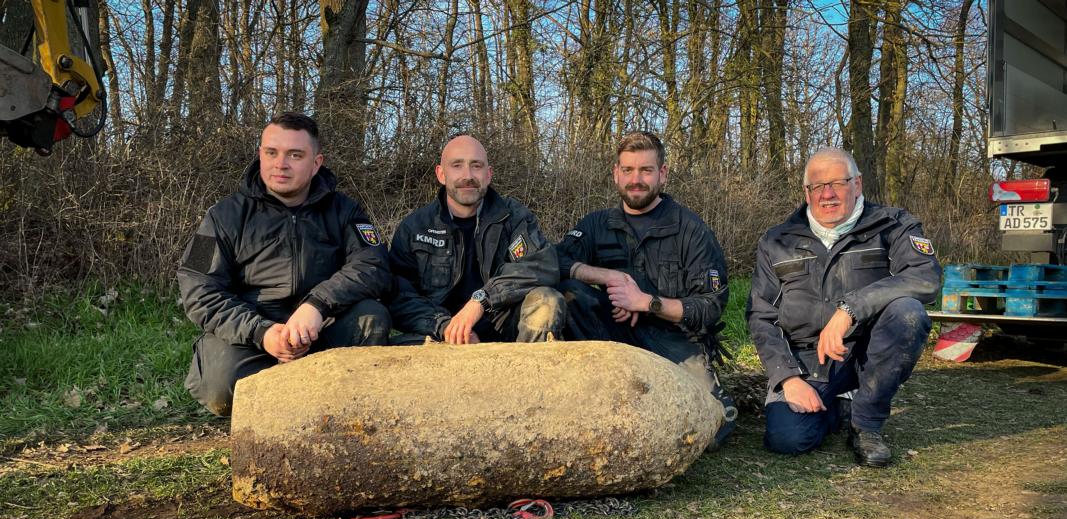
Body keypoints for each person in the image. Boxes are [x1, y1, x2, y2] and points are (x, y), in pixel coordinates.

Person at [177, 113, 392, 416]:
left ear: (316, 163)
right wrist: (262, 332)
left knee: (372, 317)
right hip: (251, 334)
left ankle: (340, 411)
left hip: (322, 329)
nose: (280, 164)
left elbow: (373, 264)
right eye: (271, 152)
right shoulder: (220, 217)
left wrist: (317, 306)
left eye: (295, 154)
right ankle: (280, 405)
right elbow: (196, 286)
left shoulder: (345, 210)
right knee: (220, 387)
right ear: (260, 155)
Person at [747, 147, 941, 466]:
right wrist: (788, 379)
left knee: (908, 313)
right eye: (818, 186)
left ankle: (866, 424)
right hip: (807, 356)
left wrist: (849, 309)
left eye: (838, 183)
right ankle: (841, 403)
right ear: (806, 192)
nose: (828, 194)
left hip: (868, 349)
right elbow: (761, 316)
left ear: (857, 184)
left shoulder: (893, 225)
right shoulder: (777, 240)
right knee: (788, 439)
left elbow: (925, 277)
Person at [555, 131, 736, 448]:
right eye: (628, 170)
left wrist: (646, 302)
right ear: (615, 174)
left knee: (710, 431)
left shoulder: (691, 229)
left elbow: (710, 306)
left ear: (662, 174)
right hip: (615, 335)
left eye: (646, 170)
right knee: (570, 291)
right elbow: (553, 259)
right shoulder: (597, 224)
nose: (635, 179)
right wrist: (607, 275)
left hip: (673, 340)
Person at [388, 135, 564, 344]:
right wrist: (446, 327)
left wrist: (482, 299)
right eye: (457, 165)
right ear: (441, 174)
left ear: (488, 174)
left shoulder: (514, 217)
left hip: (506, 330)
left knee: (546, 301)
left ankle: (528, 374)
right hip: (438, 335)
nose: (468, 175)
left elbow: (540, 265)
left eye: (476, 166)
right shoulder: (415, 227)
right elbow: (399, 297)